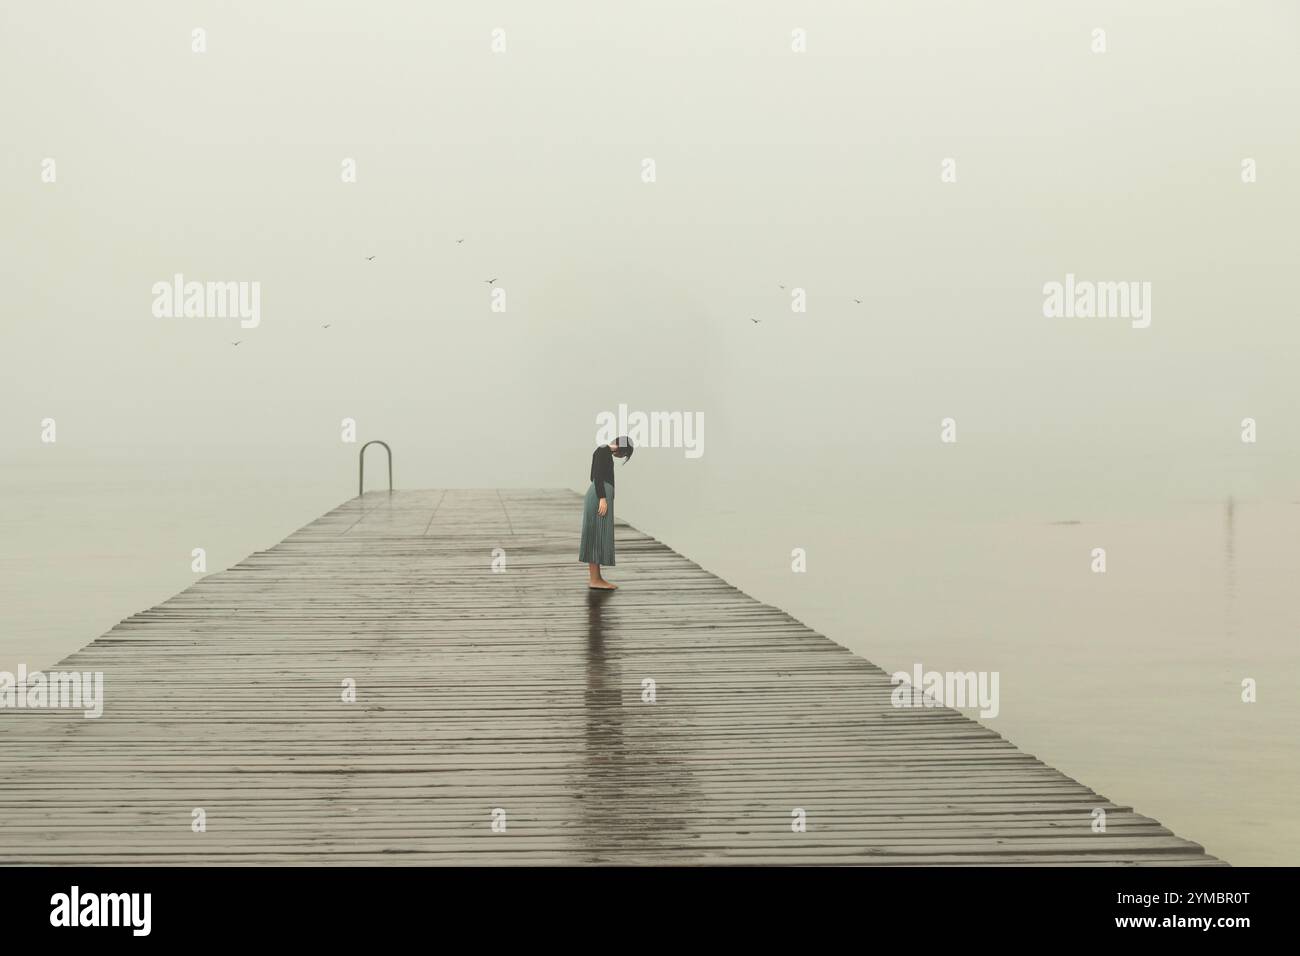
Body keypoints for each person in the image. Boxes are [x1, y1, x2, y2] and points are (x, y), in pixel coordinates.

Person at [579, 436, 633, 588]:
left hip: (597, 494)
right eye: (624, 454)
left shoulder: (602, 451)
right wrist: (603, 497)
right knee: (596, 535)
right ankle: (595, 580)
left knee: (596, 535)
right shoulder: (604, 451)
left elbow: (593, 477)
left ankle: (597, 578)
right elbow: (597, 476)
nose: (622, 457)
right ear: (621, 448)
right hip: (599, 497)